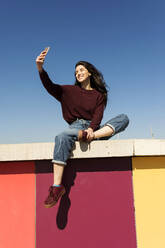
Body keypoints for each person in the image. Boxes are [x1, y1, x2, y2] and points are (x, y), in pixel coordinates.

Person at [36, 48, 129, 208]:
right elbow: (50, 86)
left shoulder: (99, 95)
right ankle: (57, 188)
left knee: (124, 118)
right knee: (62, 136)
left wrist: (92, 130)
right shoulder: (68, 91)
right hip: (75, 128)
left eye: (81, 70)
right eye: (76, 72)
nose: (78, 73)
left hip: (95, 131)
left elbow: (98, 116)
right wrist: (40, 68)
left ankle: (89, 136)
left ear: (89, 73)